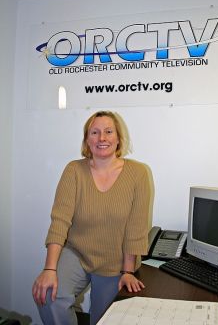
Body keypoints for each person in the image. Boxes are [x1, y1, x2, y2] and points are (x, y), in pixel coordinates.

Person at [32, 110, 151, 325]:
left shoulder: (138, 173)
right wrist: (49, 269)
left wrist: (127, 271)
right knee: (49, 296)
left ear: (118, 138)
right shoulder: (74, 170)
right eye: (94, 132)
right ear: (87, 140)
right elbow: (60, 220)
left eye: (108, 131)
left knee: (105, 319)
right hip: (77, 253)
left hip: (116, 260)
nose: (102, 138)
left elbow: (136, 227)